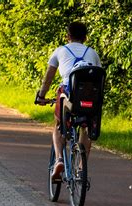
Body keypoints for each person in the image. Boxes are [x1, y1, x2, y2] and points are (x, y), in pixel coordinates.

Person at [36, 21, 102, 180]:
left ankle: (59, 160)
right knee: (84, 127)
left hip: (68, 94)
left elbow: (48, 78)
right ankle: (81, 168)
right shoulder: (93, 53)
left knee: (59, 125)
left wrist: (41, 96)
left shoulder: (60, 51)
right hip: (89, 97)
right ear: (85, 37)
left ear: (68, 36)